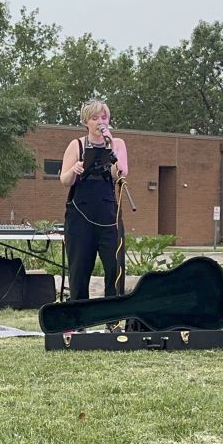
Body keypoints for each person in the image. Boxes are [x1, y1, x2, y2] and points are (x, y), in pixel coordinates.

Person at [60, 99, 129, 329]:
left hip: (108, 214)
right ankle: (79, 319)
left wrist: (110, 148)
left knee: (114, 266)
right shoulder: (76, 145)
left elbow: (121, 172)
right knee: (80, 267)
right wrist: (74, 169)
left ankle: (113, 319)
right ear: (86, 122)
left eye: (104, 117)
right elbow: (64, 179)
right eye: (95, 118)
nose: (100, 122)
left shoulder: (117, 143)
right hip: (80, 215)